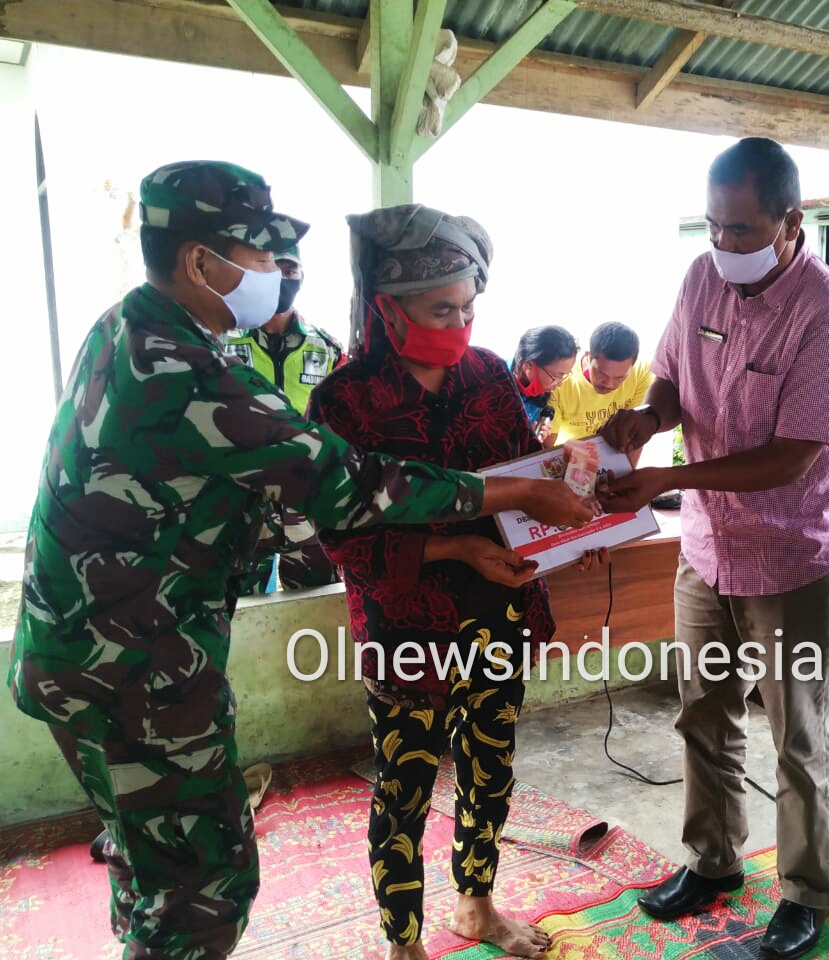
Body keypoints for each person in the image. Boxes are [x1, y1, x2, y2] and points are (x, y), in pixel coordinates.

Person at [5, 161, 592, 960]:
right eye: (261, 257)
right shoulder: (199, 375)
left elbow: (287, 508)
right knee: (202, 892)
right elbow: (344, 492)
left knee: (154, 871)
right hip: (136, 670)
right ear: (198, 261)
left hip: (93, 653)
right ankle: (398, 936)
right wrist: (472, 524)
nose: (278, 277)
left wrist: (570, 489)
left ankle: (472, 900)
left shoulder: (129, 327)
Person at [309, 205, 603, 960]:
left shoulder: (487, 377)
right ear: (388, 308)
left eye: (471, 307)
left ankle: (476, 905)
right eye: (443, 309)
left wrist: (575, 519)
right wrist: (456, 551)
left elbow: (521, 475)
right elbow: (341, 535)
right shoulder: (344, 400)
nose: (462, 324)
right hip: (409, 621)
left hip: (499, 609)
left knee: (489, 766)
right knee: (404, 785)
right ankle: (402, 940)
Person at [599, 137, 829, 960]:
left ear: (793, 222)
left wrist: (664, 480)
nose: (724, 246)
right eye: (713, 227)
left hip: (792, 553)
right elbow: (674, 380)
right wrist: (646, 422)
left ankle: (803, 892)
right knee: (703, 715)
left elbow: (792, 455)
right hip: (710, 547)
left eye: (743, 230)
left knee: (798, 735)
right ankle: (713, 861)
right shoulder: (702, 277)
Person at [223, 243, 344, 593]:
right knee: (236, 615)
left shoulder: (326, 349)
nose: (281, 278)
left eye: (290, 270)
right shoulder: (222, 344)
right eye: (271, 268)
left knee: (313, 613)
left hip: (306, 507)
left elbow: (338, 433)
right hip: (240, 507)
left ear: (302, 276)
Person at [546, 321, 656, 461]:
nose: (609, 384)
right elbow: (547, 448)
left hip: (614, 455)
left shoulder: (642, 373)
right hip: (567, 458)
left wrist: (627, 476)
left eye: (620, 377)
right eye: (602, 374)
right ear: (588, 357)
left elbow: (633, 436)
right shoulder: (561, 381)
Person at [510, 325, 577, 438]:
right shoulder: (497, 384)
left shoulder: (541, 391)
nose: (559, 383)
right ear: (529, 366)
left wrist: (533, 437)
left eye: (564, 376)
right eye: (556, 376)